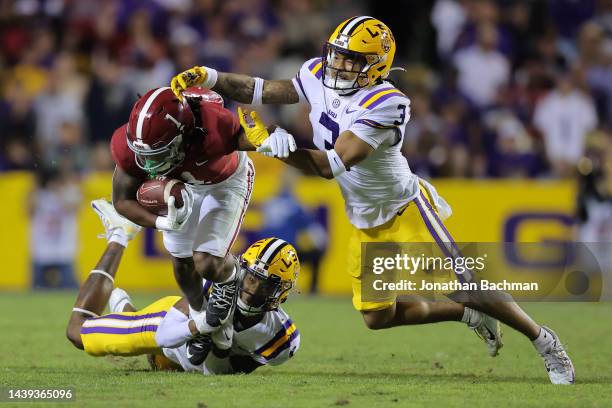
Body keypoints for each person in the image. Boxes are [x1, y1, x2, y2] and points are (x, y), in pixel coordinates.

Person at [170, 16, 574, 384]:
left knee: (467, 284)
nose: (339, 66)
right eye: (338, 56)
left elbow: (332, 165)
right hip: (366, 219)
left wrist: (275, 147)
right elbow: (266, 89)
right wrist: (213, 76)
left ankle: (545, 341)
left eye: (352, 60)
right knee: (377, 317)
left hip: (405, 208)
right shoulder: (318, 73)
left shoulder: (386, 103)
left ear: (376, 66)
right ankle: (467, 314)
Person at [109, 86, 294, 363]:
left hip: (226, 182)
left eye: (159, 151)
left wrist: (273, 132)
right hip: (186, 188)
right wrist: (161, 222)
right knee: (182, 262)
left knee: (206, 261)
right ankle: (202, 321)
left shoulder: (213, 128)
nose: (148, 162)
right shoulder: (134, 146)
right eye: (142, 152)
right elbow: (122, 202)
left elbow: (252, 132)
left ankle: (228, 279)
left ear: (182, 134)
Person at [65, 199, 301, 374]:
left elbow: (224, 373)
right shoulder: (221, 286)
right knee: (77, 332)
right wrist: (203, 324)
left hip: (185, 361)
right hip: (172, 324)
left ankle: (123, 308)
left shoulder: (281, 339)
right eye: (251, 278)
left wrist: (220, 347)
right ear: (241, 270)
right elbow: (165, 335)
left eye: (266, 287)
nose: (253, 291)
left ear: (281, 293)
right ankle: (119, 234)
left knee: (160, 364)